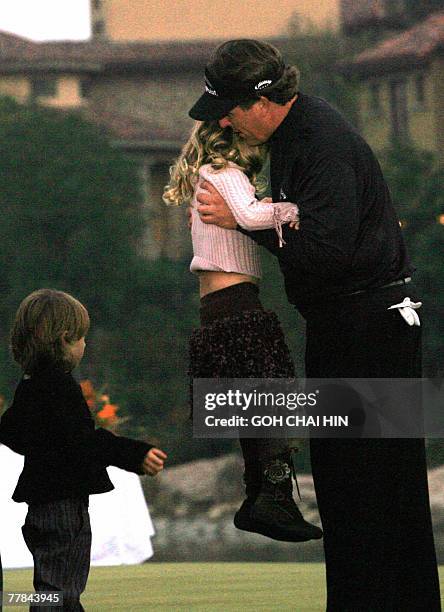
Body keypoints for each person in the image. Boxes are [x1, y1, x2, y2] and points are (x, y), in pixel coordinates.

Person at [188, 39, 441, 611]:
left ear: (261, 99)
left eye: (228, 108)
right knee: (385, 490)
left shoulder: (317, 142)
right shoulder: (303, 132)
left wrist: (242, 221)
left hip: (367, 328)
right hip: (371, 323)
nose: (223, 121)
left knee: (361, 491)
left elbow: (326, 252)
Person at [163, 120, 322, 543]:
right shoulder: (225, 173)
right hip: (237, 303)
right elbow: (251, 217)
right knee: (271, 398)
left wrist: (262, 206)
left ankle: (261, 499)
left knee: (254, 405)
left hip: (216, 307)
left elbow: (245, 215)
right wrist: (295, 210)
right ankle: (271, 499)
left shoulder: (208, 176)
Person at [0, 289, 167, 611]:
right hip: (65, 508)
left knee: (52, 588)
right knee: (61, 591)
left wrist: (45, 443)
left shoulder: (29, 384)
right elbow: (84, 440)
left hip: (39, 508)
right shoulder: (61, 386)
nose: (85, 345)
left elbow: (10, 432)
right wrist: (133, 454)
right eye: (81, 338)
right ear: (64, 339)